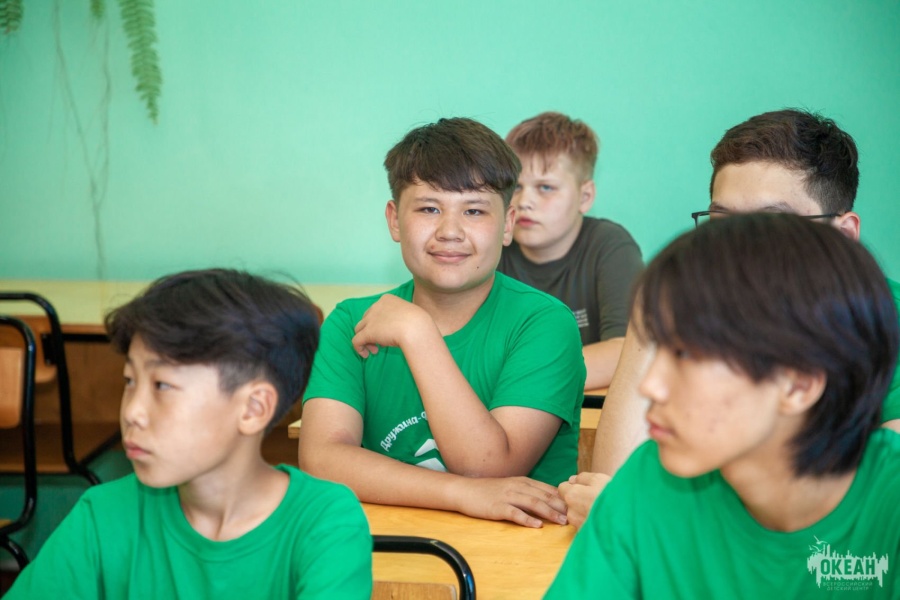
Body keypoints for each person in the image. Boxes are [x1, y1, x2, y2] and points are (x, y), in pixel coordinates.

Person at [559, 108, 900, 528]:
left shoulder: (886, 320)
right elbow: (614, 483)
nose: (737, 253)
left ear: (842, 236)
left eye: (770, 226)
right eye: (722, 224)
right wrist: (653, 313)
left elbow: (871, 513)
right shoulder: (693, 314)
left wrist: (644, 517)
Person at [546, 213, 900, 598]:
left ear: (799, 384)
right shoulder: (650, 478)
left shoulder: (888, 502)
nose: (650, 385)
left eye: (686, 355)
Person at [7, 269, 373, 599]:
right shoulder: (102, 514)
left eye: (162, 386)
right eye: (129, 381)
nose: (132, 412)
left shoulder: (326, 522)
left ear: (253, 408)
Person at [298, 117, 585, 528]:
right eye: (429, 209)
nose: (450, 231)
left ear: (508, 224)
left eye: (474, 210)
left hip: (514, 553)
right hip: (390, 550)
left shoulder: (543, 324)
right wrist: (460, 494)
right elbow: (321, 459)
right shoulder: (351, 322)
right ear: (395, 220)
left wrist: (418, 335)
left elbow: (487, 468)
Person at [498, 112, 643, 390]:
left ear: (585, 197)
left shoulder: (611, 246)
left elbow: (627, 352)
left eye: (545, 187)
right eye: (515, 187)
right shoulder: (493, 251)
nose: (524, 201)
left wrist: (524, 377)